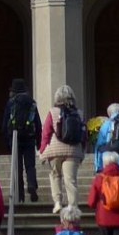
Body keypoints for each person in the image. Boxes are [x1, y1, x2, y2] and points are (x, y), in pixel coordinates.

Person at [39, 84, 86, 214]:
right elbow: (83, 134)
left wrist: (42, 150)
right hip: (73, 151)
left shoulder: (53, 112)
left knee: (55, 176)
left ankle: (58, 202)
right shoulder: (79, 113)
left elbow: (46, 132)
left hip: (55, 150)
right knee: (70, 179)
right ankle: (73, 206)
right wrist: (82, 150)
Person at [1, 78, 40, 204]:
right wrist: (38, 141)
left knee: (17, 167)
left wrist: (7, 140)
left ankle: (20, 195)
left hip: (15, 138)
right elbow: (37, 123)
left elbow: (5, 123)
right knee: (30, 165)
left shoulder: (11, 103)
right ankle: (32, 185)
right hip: (29, 138)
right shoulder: (32, 103)